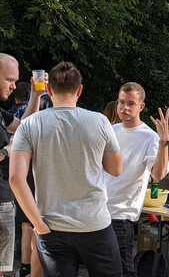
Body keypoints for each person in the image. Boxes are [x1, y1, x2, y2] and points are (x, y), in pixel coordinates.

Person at [10, 61, 123, 276]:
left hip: (51, 227)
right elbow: (115, 168)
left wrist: (38, 224)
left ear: (49, 90)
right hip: (94, 224)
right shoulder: (99, 121)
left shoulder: (30, 124)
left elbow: (15, 178)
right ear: (79, 90)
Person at [106, 82, 169, 276]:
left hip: (121, 216)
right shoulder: (110, 130)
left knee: (124, 272)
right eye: (121, 102)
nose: (125, 107)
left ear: (141, 106)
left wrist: (164, 142)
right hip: (97, 213)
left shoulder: (150, 137)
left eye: (131, 103)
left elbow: (158, 175)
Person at [0, 53, 43, 277]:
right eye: (9, 80)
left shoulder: (0, 113)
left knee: (2, 268)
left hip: (5, 200)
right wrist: (8, 150)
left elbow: (23, 126)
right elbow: (13, 143)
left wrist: (36, 94)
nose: (14, 86)